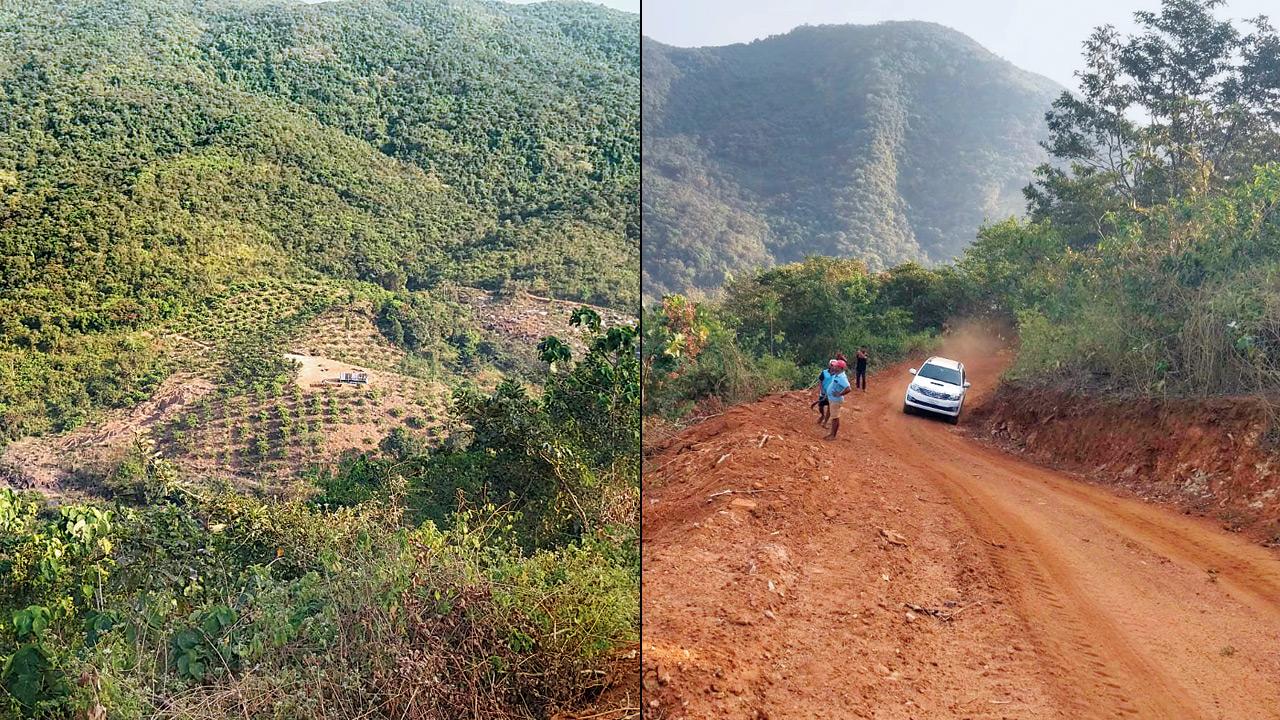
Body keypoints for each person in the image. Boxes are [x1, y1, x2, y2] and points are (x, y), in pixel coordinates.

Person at [823, 359, 852, 440]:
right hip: (832, 399)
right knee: (834, 417)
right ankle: (832, 434)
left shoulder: (842, 377)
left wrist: (840, 394)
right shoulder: (837, 374)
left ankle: (833, 435)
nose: (834, 367)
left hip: (836, 400)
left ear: (840, 368)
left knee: (835, 418)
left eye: (836, 366)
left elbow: (848, 388)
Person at [809, 359, 838, 427]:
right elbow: (820, 381)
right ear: (829, 365)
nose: (833, 367)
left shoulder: (837, 375)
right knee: (820, 406)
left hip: (832, 394)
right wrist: (821, 390)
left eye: (835, 366)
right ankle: (822, 415)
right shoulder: (824, 372)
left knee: (829, 408)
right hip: (823, 392)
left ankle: (825, 422)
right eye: (832, 365)